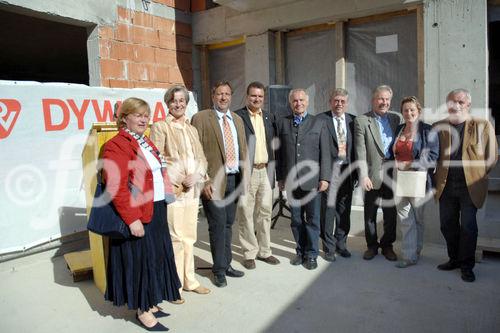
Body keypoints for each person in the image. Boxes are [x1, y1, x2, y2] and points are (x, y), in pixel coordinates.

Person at [102, 97, 181, 331]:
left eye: (146, 115)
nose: (143, 119)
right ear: (124, 117)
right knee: (141, 261)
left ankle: (152, 300)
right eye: (137, 115)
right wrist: (131, 218)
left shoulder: (144, 142)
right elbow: (115, 186)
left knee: (155, 257)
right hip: (138, 212)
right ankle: (142, 310)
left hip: (156, 208)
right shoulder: (116, 145)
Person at [150, 86, 211, 303]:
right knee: (175, 238)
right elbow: (155, 161)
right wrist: (177, 180)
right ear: (168, 103)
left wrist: (198, 176)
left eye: (182, 101)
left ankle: (190, 281)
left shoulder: (191, 129)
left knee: (189, 237)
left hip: (192, 191)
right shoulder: (160, 127)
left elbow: (203, 158)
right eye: (174, 101)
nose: (178, 104)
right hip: (174, 192)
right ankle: (174, 286)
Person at [434, 88, 498, 282]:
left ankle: (467, 265)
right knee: (447, 225)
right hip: (445, 186)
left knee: (468, 227)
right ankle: (454, 258)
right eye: (452, 102)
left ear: (468, 104)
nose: (456, 105)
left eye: (461, 102)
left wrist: (477, 174)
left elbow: (492, 156)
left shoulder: (482, 125)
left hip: (470, 187)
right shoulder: (438, 127)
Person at [191, 81, 248, 287]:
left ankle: (227, 264)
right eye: (219, 94)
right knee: (217, 225)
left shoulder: (238, 120)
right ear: (213, 96)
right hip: (212, 183)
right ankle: (218, 270)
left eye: (227, 94)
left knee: (227, 224)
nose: (223, 98)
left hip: (234, 179)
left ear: (231, 96)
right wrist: (204, 179)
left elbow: (243, 151)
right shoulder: (201, 118)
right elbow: (195, 152)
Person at [276, 88, 332, 270]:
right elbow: (280, 154)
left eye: (301, 100)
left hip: (313, 182)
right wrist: (281, 177)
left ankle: (312, 254)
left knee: (313, 219)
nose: (298, 103)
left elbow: (325, 153)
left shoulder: (319, 122)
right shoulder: (283, 123)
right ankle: (300, 252)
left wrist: (324, 178)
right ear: (290, 103)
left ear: (307, 102)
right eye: (295, 101)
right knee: (296, 219)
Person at [235, 82, 280, 270]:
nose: (257, 99)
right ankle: (249, 253)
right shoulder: (238, 116)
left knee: (265, 212)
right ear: (247, 96)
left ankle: (265, 251)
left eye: (260, 96)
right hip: (248, 172)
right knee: (245, 213)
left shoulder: (269, 117)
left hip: (266, 170)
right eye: (253, 96)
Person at [354, 85, 402, 261]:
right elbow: (360, 151)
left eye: (387, 99)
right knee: (370, 212)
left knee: (390, 212)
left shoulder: (397, 119)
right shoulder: (362, 120)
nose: (384, 102)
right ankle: (372, 246)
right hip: (372, 172)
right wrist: (363, 175)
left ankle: (387, 245)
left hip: (392, 172)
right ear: (373, 100)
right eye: (380, 99)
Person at [392, 96, 439, 268]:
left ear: (418, 111)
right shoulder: (399, 129)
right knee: (404, 216)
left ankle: (415, 251)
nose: (409, 113)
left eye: (412, 109)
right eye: (405, 110)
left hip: (418, 177)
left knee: (418, 218)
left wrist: (411, 163)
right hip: (399, 177)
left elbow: (433, 157)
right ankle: (409, 255)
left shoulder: (428, 130)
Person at [317, 88, 357, 261]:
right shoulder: (320, 120)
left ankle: (342, 244)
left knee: (344, 210)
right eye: (336, 100)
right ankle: (329, 247)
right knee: (328, 211)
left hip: (347, 171)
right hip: (329, 171)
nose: (339, 104)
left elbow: (356, 148)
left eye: (342, 101)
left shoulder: (352, 121)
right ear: (330, 102)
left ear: (346, 103)